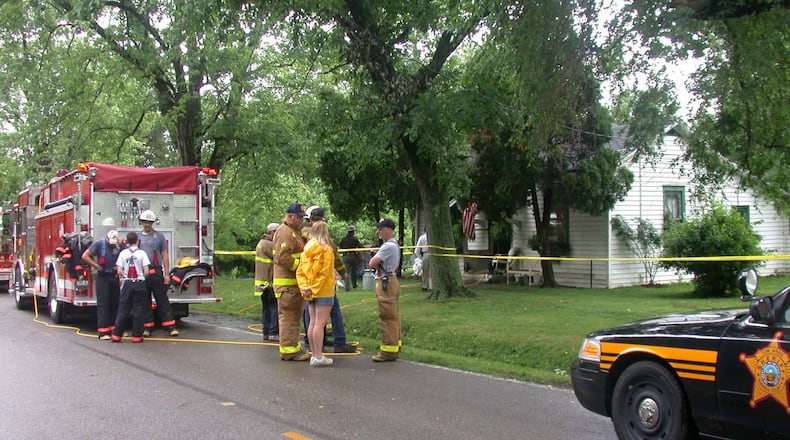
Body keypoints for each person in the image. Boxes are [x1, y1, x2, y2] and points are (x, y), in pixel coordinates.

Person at [302, 207, 357, 354]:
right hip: (323, 287)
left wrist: (306, 286)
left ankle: (313, 345)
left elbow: (301, 266)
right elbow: (332, 260)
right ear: (322, 220)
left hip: (307, 284)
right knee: (328, 316)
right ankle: (338, 342)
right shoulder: (323, 240)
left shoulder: (301, 235)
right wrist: (343, 273)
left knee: (311, 318)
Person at [272, 202, 310, 361]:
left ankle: (292, 346)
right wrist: (300, 268)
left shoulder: (294, 231)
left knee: (294, 317)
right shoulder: (285, 232)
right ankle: (288, 350)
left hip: (293, 285)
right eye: (299, 217)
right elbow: (282, 257)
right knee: (288, 317)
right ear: (290, 216)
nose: (302, 220)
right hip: (287, 286)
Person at [296, 221, 336, 367]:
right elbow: (324, 273)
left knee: (312, 323)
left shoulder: (306, 250)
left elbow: (300, 271)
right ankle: (319, 357)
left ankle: (315, 354)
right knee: (320, 324)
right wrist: (314, 288)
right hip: (323, 291)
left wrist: (305, 288)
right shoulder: (326, 250)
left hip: (309, 291)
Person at [138, 209, 179, 337]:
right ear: (142, 222)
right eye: (145, 222)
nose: (147, 225)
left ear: (153, 223)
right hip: (143, 272)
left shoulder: (159, 237)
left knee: (162, 300)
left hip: (156, 271)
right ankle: (147, 327)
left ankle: (170, 326)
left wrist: (167, 274)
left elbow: (165, 255)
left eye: (149, 222)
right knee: (145, 301)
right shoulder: (138, 237)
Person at [368, 218, 402, 362]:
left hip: (385, 283)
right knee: (393, 316)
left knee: (387, 316)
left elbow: (372, 263)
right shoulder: (393, 245)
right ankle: (395, 346)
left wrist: (375, 256)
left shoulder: (388, 246)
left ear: (388, 229)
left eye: (381, 229)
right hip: (391, 281)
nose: (379, 232)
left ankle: (388, 351)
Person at [82, 229, 124, 340]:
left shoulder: (119, 245)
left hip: (114, 276)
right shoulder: (99, 244)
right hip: (102, 276)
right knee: (103, 303)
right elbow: (85, 256)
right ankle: (103, 331)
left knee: (115, 303)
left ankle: (115, 329)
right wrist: (96, 266)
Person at [110, 232, 151, 343]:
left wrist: (124, 276)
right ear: (137, 241)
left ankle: (117, 335)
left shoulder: (123, 253)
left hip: (127, 283)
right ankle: (137, 336)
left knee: (123, 309)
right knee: (139, 310)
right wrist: (142, 276)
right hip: (139, 283)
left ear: (127, 241)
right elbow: (146, 270)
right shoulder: (142, 253)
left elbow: (119, 270)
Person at [254, 223, 280, 342]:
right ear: (272, 232)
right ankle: (273, 332)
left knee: (266, 308)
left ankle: (266, 332)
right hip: (269, 282)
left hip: (262, 284)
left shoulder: (261, 243)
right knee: (274, 307)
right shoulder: (269, 244)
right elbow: (279, 257)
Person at [339, 225, 363, 290]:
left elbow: (340, 247)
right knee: (353, 271)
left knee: (346, 271)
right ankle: (354, 285)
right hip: (353, 256)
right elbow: (360, 246)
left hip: (345, 256)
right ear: (353, 232)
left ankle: (347, 287)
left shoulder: (343, 239)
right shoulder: (355, 239)